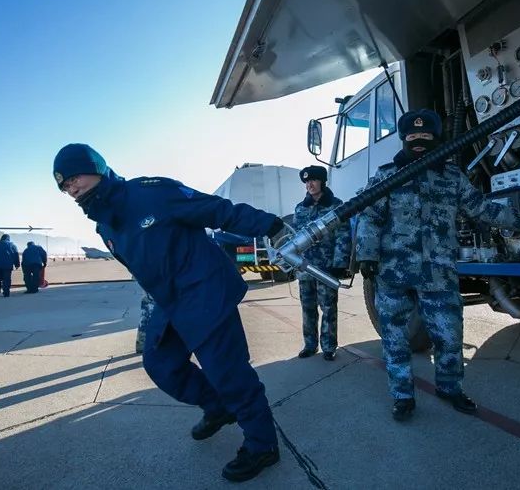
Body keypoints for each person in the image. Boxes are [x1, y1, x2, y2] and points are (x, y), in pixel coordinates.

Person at [53, 143, 286, 482]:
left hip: (205, 290)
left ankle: (262, 445)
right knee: (160, 363)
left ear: (97, 168)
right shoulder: (106, 227)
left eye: (74, 177)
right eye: (64, 186)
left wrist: (271, 226)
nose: (71, 188)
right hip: (170, 302)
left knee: (228, 372)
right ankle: (217, 406)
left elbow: (216, 209)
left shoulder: (152, 193)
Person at [356, 109, 520, 421]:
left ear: (436, 138)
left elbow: (479, 208)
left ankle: (450, 387)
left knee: (450, 337)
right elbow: (369, 217)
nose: (418, 141)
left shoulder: (451, 176)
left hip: (438, 273)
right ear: (403, 139)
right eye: (412, 137)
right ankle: (402, 396)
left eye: (425, 137)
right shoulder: (386, 176)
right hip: (394, 274)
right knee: (395, 340)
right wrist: (367, 256)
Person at [292, 165, 351, 361]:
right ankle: (310, 345)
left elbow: (343, 235)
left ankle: (328, 346)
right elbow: (294, 238)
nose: (309, 184)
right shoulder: (300, 208)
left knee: (328, 308)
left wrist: (340, 263)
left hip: (326, 267)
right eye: (307, 181)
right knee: (307, 308)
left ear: (322, 182)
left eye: (313, 180)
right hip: (305, 267)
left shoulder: (336, 205)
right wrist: (293, 263)